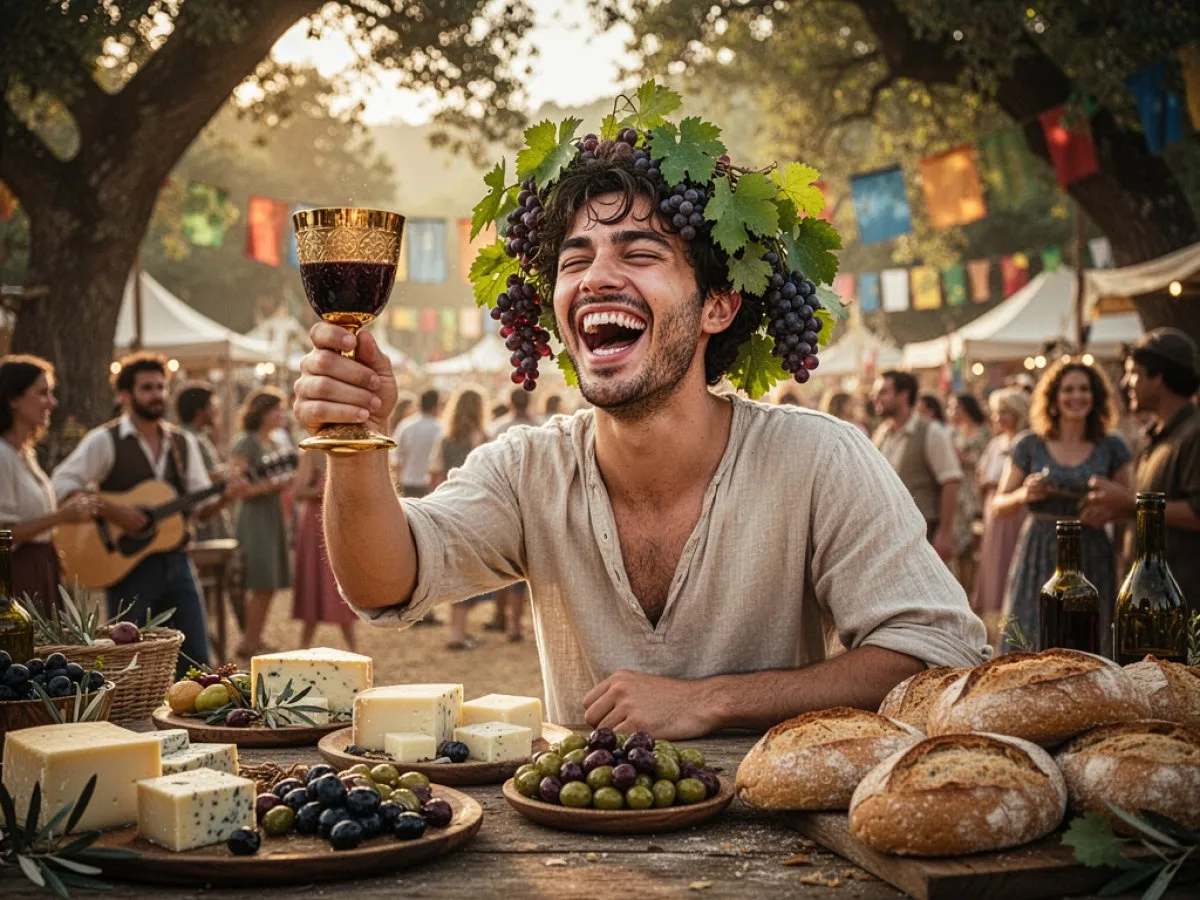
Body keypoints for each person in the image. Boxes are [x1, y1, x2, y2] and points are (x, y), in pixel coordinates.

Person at [292, 120, 987, 737]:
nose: (596, 278)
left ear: (717, 305)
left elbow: (939, 654)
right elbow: (383, 584)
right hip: (583, 866)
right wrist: (354, 438)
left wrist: (708, 701)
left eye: (640, 254)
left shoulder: (818, 459)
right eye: (575, 260)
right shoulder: (526, 469)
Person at [52, 353, 244, 675]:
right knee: (129, 665)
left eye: (160, 387)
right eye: (147, 388)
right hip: (126, 568)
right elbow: (60, 484)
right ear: (125, 395)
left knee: (196, 658)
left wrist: (227, 497)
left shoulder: (182, 444)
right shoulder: (105, 440)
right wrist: (115, 511)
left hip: (177, 561)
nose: (157, 395)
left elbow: (199, 511)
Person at [992, 358, 1132, 652]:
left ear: (1096, 397)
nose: (1076, 396)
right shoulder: (1029, 444)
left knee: (1088, 642)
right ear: (1053, 397)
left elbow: (1131, 505)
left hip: (1090, 551)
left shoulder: (1113, 445)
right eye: (1068, 390)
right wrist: (1023, 494)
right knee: (1032, 639)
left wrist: (1108, 511)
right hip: (1039, 550)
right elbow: (999, 505)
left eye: (1084, 389)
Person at [1084, 328, 1200, 617]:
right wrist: (1121, 512)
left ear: (1158, 378)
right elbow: (1163, 510)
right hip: (1152, 604)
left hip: (1183, 606)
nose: (1126, 383)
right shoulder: (1158, 436)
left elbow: (1197, 514)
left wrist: (1128, 502)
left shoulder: (1194, 434)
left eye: (1133, 373)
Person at [0, 355, 95, 615]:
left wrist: (71, 511)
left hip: (44, 567)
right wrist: (61, 516)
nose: (52, 403)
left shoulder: (25, 454)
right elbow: (5, 533)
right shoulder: (2, 456)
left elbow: (36, 518)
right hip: (19, 574)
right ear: (13, 399)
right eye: (43, 394)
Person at [872, 371, 963, 561]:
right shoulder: (882, 433)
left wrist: (945, 534)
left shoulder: (931, 432)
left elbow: (951, 482)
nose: (876, 398)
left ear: (903, 395)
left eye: (883, 392)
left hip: (922, 533)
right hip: (889, 533)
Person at [230, 388, 293, 658]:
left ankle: (255, 637)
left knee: (269, 582)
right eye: (276, 409)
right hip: (254, 516)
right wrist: (272, 485)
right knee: (259, 579)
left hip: (271, 513)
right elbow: (238, 488)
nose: (282, 414)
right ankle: (247, 642)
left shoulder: (274, 443)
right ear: (263, 412)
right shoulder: (246, 443)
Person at [430, 384, 491, 651]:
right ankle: (458, 633)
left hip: (448, 504)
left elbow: (435, 474)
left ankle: (458, 631)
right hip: (474, 507)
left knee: (457, 568)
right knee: (470, 571)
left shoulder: (445, 438)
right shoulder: (480, 436)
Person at [972, 388, 1031, 638]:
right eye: (997, 413)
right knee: (994, 566)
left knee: (1011, 564)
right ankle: (999, 627)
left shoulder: (1028, 442)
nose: (999, 418)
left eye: (1005, 412)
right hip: (994, 511)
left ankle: (1017, 625)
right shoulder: (996, 444)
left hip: (1017, 513)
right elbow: (981, 474)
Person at [485, 387, 539, 642]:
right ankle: (514, 625)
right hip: (531, 504)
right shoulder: (540, 427)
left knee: (503, 565)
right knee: (520, 567)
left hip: (501, 503)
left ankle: (500, 616)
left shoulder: (496, 427)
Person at [292, 448, 357, 651]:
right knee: (315, 580)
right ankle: (303, 647)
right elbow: (299, 491)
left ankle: (354, 649)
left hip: (341, 522)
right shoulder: (313, 452)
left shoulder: (350, 449)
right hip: (316, 524)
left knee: (341, 580)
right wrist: (329, 489)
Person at [176, 382, 233, 542]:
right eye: (213, 405)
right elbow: (197, 477)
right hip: (202, 516)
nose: (216, 411)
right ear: (200, 411)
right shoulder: (188, 438)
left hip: (210, 512)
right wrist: (227, 474)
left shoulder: (199, 436)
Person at [947, 393, 990, 588]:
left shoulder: (983, 432)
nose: (952, 411)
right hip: (959, 493)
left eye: (955, 406)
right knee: (959, 544)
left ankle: (975, 588)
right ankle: (962, 587)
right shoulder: (953, 433)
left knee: (976, 544)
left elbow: (985, 461)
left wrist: (962, 457)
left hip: (976, 489)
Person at [390, 389, 442, 499]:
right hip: (430, 486)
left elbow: (396, 458)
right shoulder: (440, 428)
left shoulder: (405, 425)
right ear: (436, 405)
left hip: (406, 482)